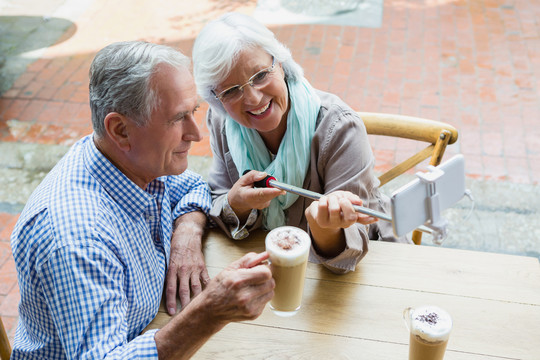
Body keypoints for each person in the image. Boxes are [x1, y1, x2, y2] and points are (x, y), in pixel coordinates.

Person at [10, 41, 274, 359]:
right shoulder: (76, 239)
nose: (196, 134)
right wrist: (209, 313)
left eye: (193, 112)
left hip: (151, 325)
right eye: (178, 119)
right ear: (120, 129)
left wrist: (187, 233)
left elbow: (193, 187)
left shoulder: (135, 157)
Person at [192, 13, 410, 275]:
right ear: (216, 99)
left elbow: (350, 248)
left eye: (260, 75)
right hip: (275, 271)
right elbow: (218, 197)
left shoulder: (341, 128)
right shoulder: (222, 122)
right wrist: (236, 204)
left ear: (281, 63)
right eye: (231, 90)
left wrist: (326, 228)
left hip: (372, 269)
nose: (252, 98)